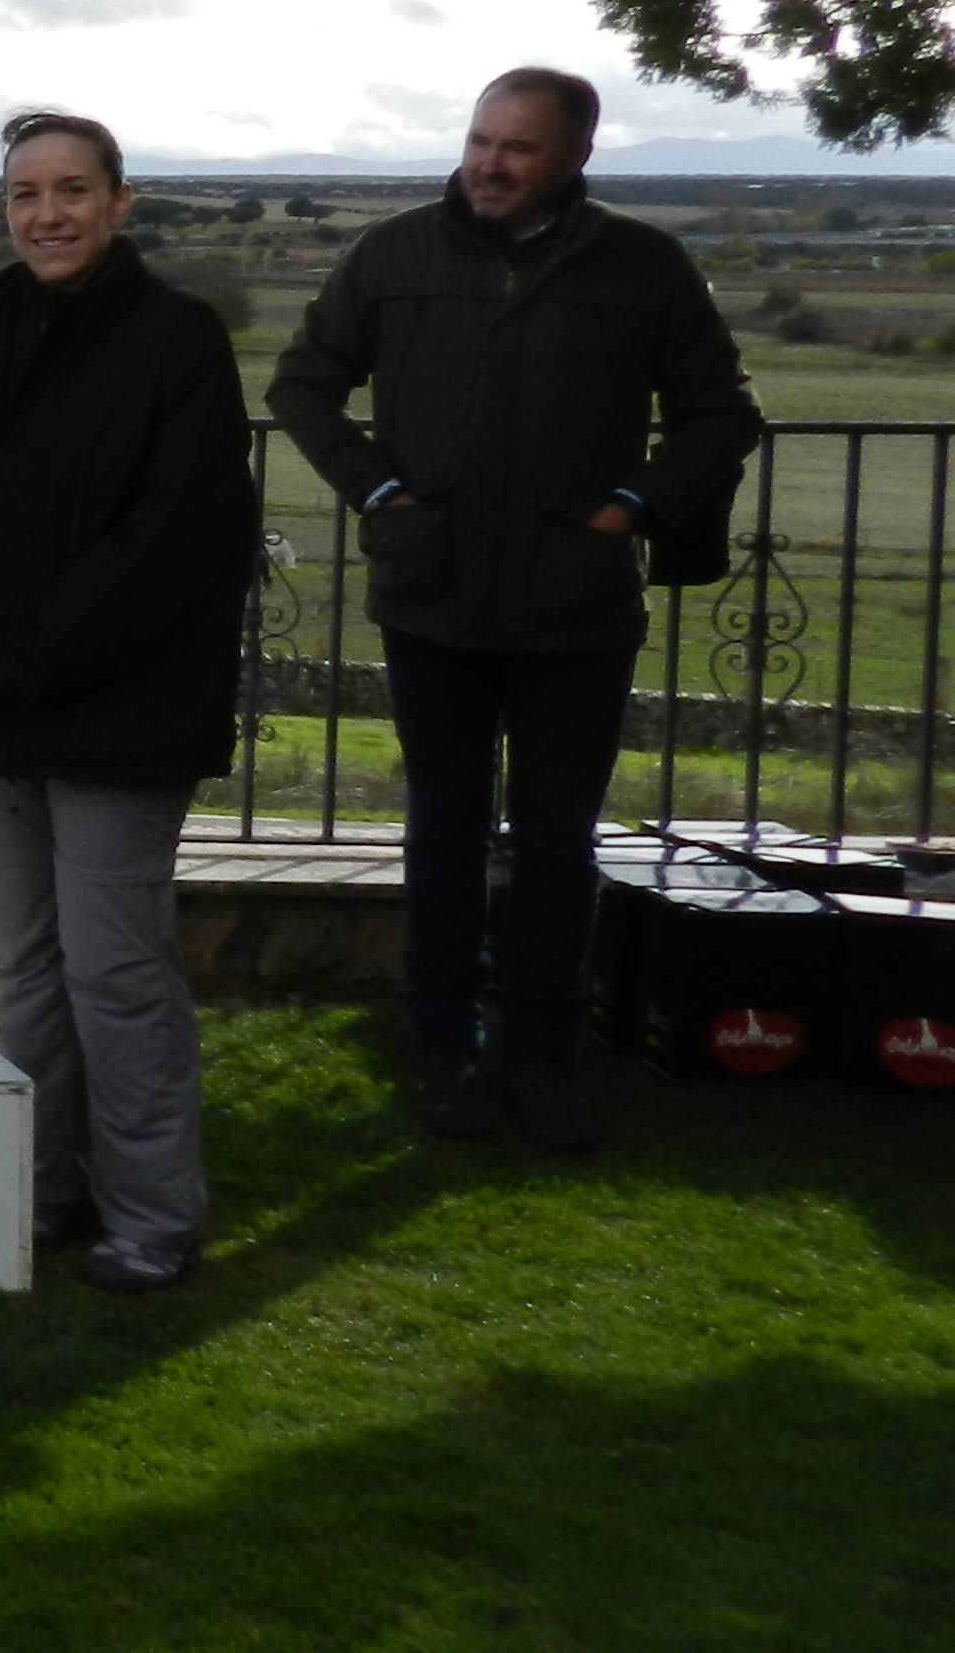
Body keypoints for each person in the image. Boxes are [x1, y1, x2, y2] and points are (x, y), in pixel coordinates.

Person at [270, 67, 761, 1151]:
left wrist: (632, 507)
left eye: (517, 148)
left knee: (554, 841)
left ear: (573, 156)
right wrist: (380, 491)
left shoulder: (642, 267)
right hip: (429, 595)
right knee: (441, 831)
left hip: (575, 607)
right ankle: (441, 1048)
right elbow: (301, 383)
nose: (487, 164)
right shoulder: (394, 255)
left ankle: (538, 1058)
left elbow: (720, 414)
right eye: (478, 140)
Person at [0, 113, 260, 1292]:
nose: (45, 214)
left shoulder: (177, 340)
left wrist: (21, 659)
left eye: (72, 190)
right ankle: (39, 1188)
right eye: (24, 193)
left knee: (114, 970)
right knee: (25, 965)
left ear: (119, 202)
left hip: (118, 711)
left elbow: (176, 535)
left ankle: (150, 1222)